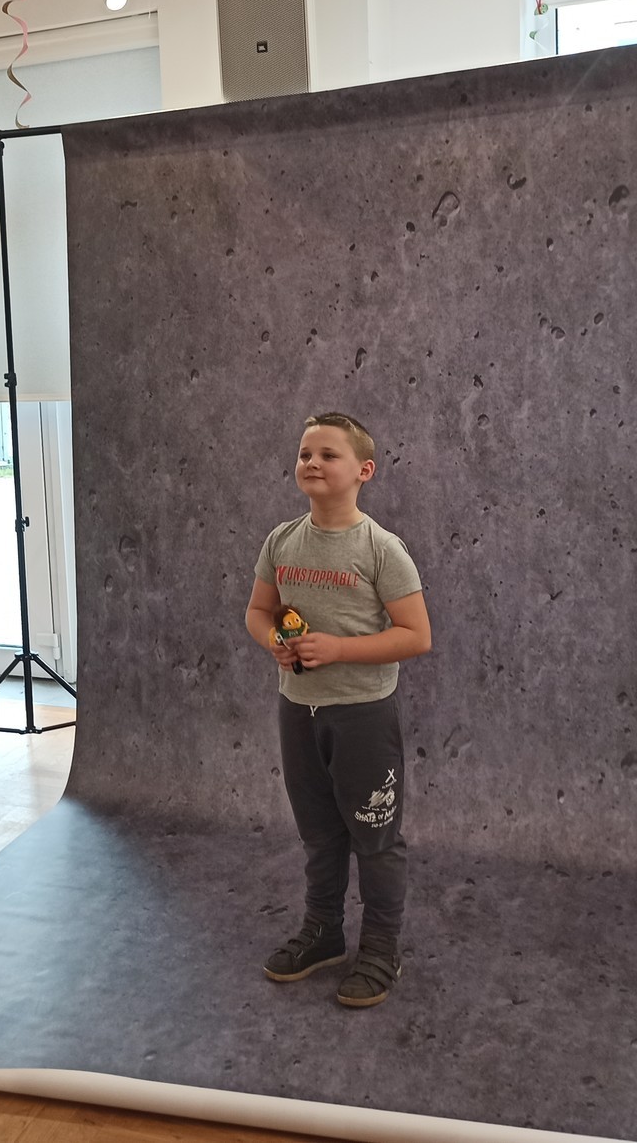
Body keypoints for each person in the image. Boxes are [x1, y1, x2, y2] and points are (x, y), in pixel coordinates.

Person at [245, 412, 431, 1008]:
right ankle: (323, 933)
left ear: (364, 471)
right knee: (320, 835)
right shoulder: (281, 540)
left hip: (363, 716)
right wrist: (273, 641)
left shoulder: (381, 549)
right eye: (305, 453)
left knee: (375, 839)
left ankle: (380, 947)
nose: (312, 463)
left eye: (328, 454)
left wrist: (339, 649)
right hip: (298, 711)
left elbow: (416, 635)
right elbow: (258, 612)